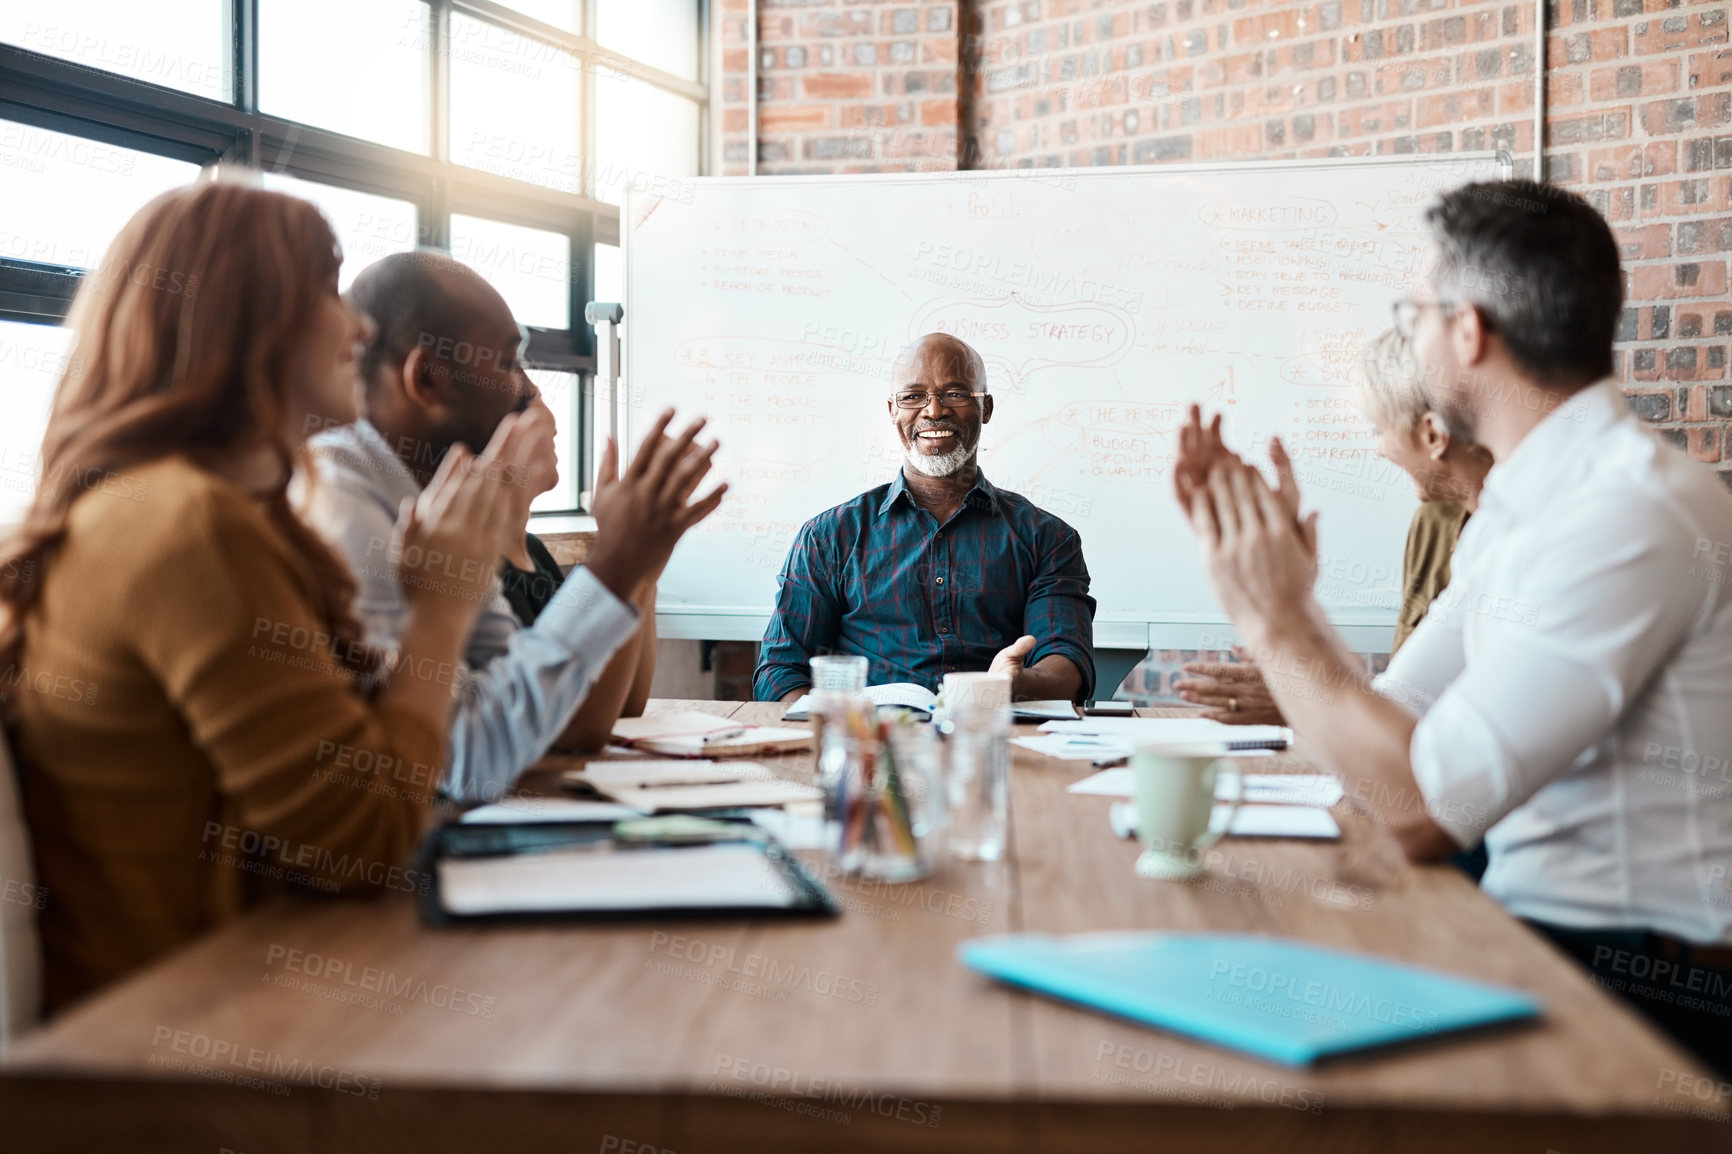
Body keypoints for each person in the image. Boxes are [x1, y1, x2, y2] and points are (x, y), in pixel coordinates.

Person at [0, 178, 714, 1012]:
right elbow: (369, 836)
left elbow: (390, 787)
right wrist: (440, 608)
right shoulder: (189, 524)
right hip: (194, 1033)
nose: (356, 326)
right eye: (327, 291)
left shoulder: (224, 516)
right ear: (245, 323)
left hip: (252, 990)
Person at [1174, 178, 1732, 1076]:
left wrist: (1276, 618)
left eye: (1418, 310)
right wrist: (1289, 606)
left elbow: (1424, 811)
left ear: (1469, 331)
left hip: (1635, 996)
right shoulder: (1526, 504)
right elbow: (1390, 726)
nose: (1413, 335)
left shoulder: (1627, 511)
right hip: (1536, 942)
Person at [300, 253, 684, 788]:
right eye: (506, 362)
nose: (525, 391)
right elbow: (461, 761)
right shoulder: (338, 500)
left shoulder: (441, 506)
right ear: (427, 378)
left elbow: (507, 712)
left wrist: (628, 565)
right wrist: (614, 568)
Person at [753, 332, 1096, 704]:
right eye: (913, 396)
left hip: (993, 739)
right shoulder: (828, 537)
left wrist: (1012, 685)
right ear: (892, 411)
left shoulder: (1047, 538)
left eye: (955, 394)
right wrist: (836, 735)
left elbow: (1069, 665)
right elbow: (780, 671)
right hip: (873, 745)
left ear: (986, 408)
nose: (934, 411)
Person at [1175, 328, 1493, 723]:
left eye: (1379, 429)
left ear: (1432, 435)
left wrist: (1285, 631)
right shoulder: (1448, 525)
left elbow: (1429, 740)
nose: (1377, 448)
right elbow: (1404, 700)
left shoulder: (1525, 538)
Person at [497, 394, 655, 748]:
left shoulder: (534, 550)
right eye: (531, 400)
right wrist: (621, 560)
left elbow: (626, 703)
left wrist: (645, 570)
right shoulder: (478, 567)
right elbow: (578, 728)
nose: (553, 419)